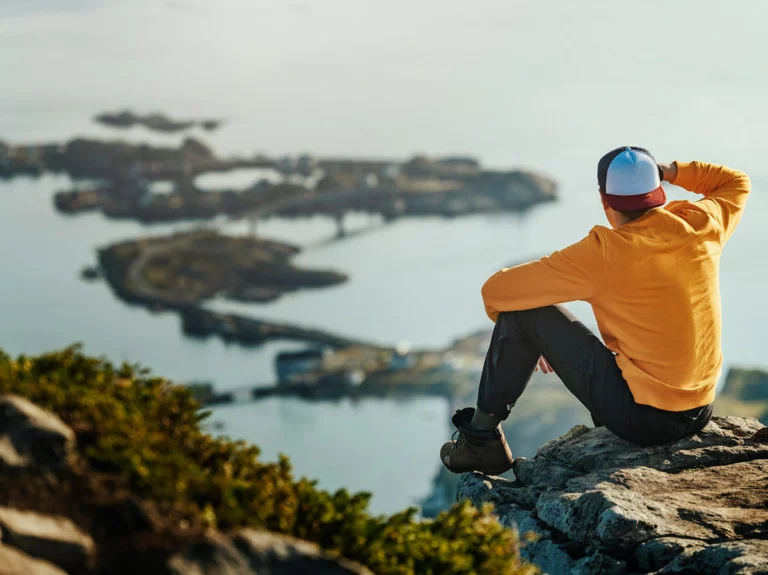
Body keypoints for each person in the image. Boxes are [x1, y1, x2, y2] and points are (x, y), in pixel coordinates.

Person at [440, 147, 751, 476]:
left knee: (521, 314)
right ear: (658, 192)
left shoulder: (605, 253)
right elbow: (735, 181)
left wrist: (531, 339)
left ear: (605, 200)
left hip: (645, 421)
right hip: (700, 408)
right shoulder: (703, 224)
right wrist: (669, 170)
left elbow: (496, 291)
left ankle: (480, 444)